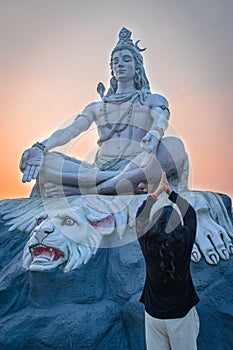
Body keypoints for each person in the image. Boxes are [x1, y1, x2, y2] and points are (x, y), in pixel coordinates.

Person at [19, 27, 187, 197]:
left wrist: (155, 133)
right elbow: (70, 131)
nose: (119, 64)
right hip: (98, 171)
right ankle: (118, 183)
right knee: (46, 162)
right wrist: (40, 148)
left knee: (175, 147)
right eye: (115, 62)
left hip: (137, 164)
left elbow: (161, 117)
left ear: (137, 67)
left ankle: (87, 190)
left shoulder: (152, 100)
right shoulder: (97, 107)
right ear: (111, 69)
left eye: (126, 60)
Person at [136, 172, 199, 350]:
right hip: (180, 316)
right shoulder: (184, 241)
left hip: (153, 315)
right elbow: (190, 214)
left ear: (155, 223)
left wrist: (157, 192)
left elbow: (141, 215)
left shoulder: (147, 241)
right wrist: (171, 193)